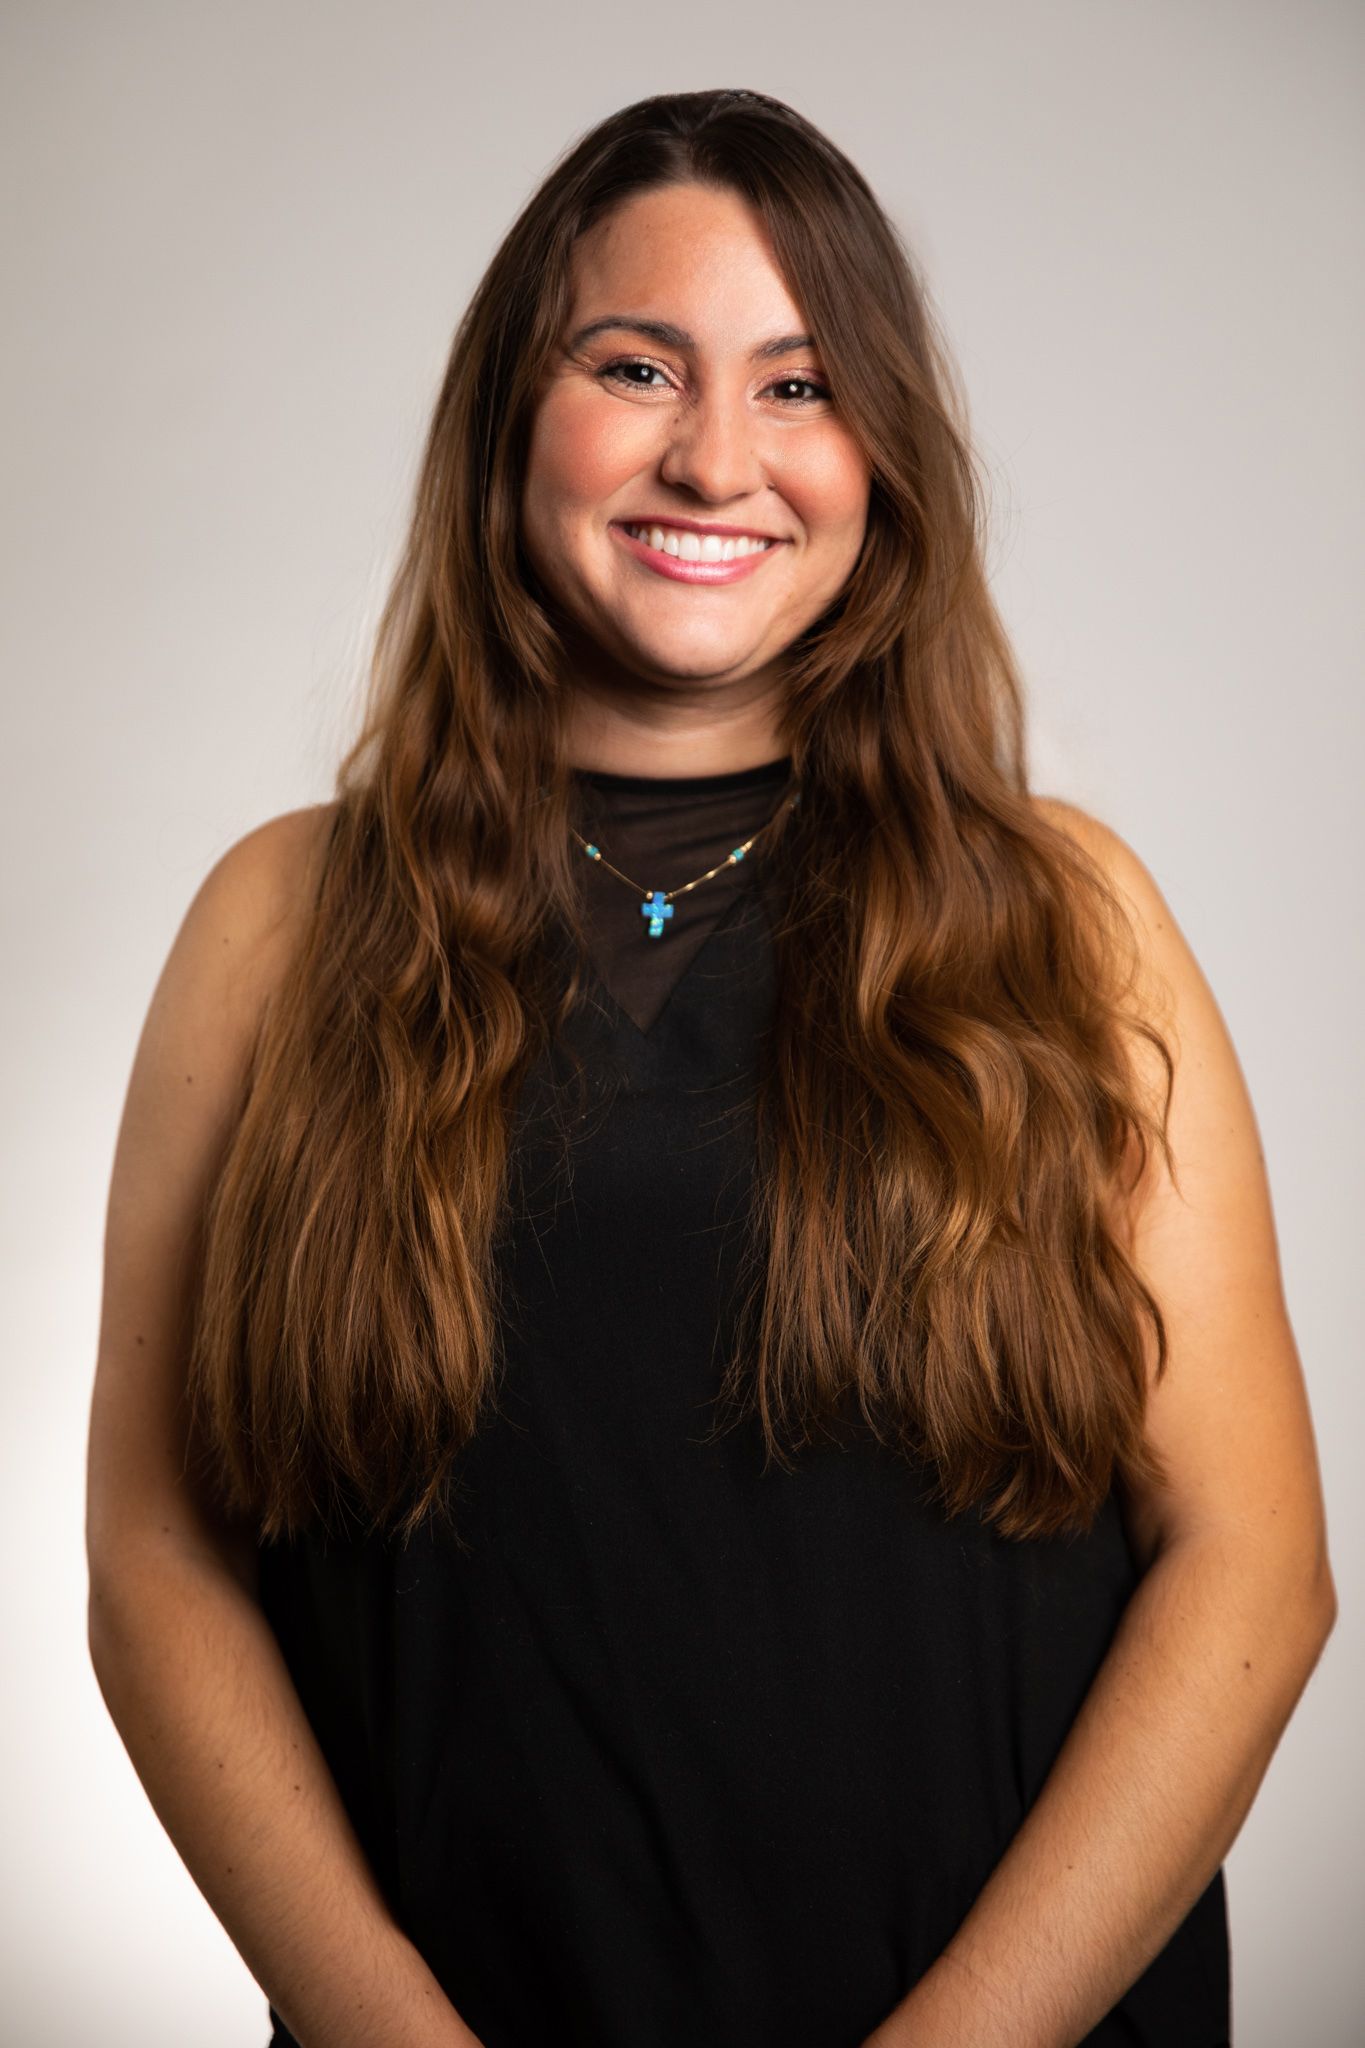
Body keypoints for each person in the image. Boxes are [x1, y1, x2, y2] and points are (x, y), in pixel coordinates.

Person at [85, 88, 1335, 2048]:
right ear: (517, 417)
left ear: (880, 456)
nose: (713, 457)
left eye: (798, 384)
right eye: (632, 365)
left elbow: (1249, 1570)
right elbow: (155, 1547)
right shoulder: (281, 921)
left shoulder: (1063, 920)